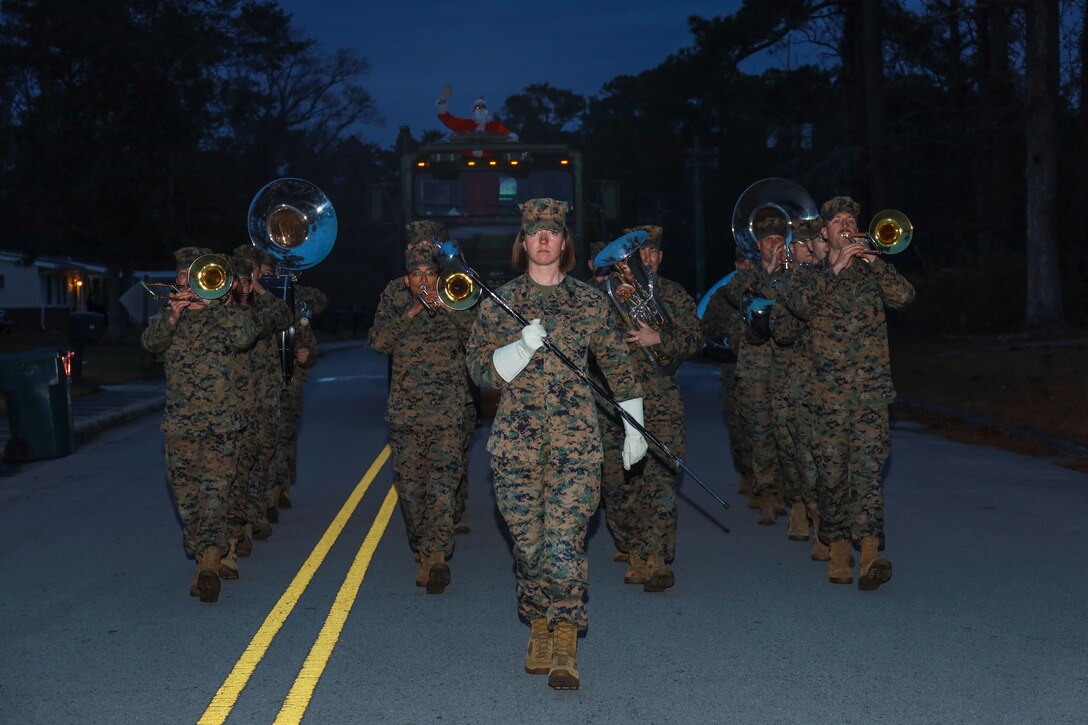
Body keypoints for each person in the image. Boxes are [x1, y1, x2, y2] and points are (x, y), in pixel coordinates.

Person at [465, 198, 645, 690]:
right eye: (534, 232)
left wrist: (635, 424)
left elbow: (618, 366)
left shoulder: (590, 303)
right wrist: (520, 345)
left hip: (576, 447)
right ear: (523, 243)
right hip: (515, 449)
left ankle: (564, 634)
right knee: (528, 546)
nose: (543, 239)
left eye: (553, 232)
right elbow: (480, 373)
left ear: (565, 243)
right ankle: (538, 622)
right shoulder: (496, 303)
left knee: (564, 544)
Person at [781, 196, 915, 589]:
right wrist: (834, 270)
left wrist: (874, 261)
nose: (845, 224)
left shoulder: (873, 272)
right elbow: (800, 309)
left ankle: (871, 554)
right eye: (837, 220)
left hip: (871, 395)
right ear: (824, 232)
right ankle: (838, 545)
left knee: (869, 475)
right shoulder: (808, 277)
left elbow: (905, 296)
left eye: (851, 218)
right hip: (827, 399)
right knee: (833, 476)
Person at [141, 247, 258, 603]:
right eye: (182, 275)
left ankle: (208, 563)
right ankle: (202, 548)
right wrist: (174, 316)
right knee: (187, 500)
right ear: (176, 279)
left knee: (215, 496)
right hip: (179, 428)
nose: (189, 282)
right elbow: (150, 344)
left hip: (221, 426)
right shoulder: (166, 319)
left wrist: (214, 306)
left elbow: (245, 336)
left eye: (195, 275)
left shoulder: (225, 316)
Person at [368, 232, 477, 593]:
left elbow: (479, 339)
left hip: (448, 413)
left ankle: (436, 558)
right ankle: (422, 548)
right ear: (406, 279)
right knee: (412, 493)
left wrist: (451, 311)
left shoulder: (457, 294)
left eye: (430, 273)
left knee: (443, 488)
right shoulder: (395, 297)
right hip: (406, 415)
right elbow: (379, 343)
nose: (424, 281)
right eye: (417, 274)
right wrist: (412, 312)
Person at [598, 225, 701, 592]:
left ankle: (656, 558)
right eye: (640, 256)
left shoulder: (674, 294)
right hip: (615, 404)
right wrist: (615, 306)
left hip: (661, 399)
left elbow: (694, 338)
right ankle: (633, 549)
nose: (648, 260)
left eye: (654, 253)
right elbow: (588, 344)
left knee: (660, 477)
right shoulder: (605, 296)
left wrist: (660, 337)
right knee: (619, 484)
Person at [723, 218, 790, 525]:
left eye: (779, 239)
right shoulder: (743, 278)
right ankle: (767, 494)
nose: (774, 245)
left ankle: (796, 497)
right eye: (768, 241)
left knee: (788, 435)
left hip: (790, 367)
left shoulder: (797, 275)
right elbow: (743, 297)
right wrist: (769, 270)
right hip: (755, 368)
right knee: (760, 434)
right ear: (758, 246)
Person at [227, 245, 292, 562]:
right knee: (237, 470)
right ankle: (242, 529)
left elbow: (284, 316)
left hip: (264, 399)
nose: (248, 278)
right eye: (244, 272)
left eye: (253, 271)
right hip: (233, 404)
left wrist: (258, 289)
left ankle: (253, 515)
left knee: (260, 462)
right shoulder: (225, 308)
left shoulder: (264, 309)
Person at [702, 248, 756, 507]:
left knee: (764, 427)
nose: (746, 266)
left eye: (750, 262)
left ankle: (768, 485)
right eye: (742, 261)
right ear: (736, 264)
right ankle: (746, 471)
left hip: (763, 369)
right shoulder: (724, 295)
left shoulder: (766, 290)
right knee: (738, 426)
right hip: (733, 368)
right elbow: (707, 326)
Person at [436, 84, 516, 137]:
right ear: (473, 110)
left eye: (483, 107)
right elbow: (446, 118)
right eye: (477, 107)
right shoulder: (465, 124)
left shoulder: (495, 126)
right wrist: (443, 98)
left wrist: (512, 137)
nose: (480, 109)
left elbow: (509, 134)